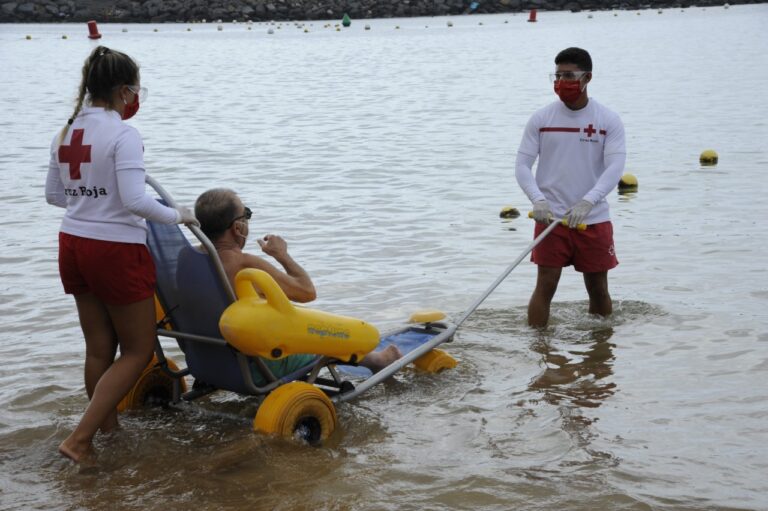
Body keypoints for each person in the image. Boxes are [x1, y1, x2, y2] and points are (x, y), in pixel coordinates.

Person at [45, 46, 198, 462]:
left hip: (72, 243)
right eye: (135, 91)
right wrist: (178, 215)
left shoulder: (67, 131)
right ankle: (79, 440)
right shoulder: (123, 134)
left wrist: (91, 202)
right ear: (124, 90)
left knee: (98, 349)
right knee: (138, 351)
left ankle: (106, 432)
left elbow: (54, 196)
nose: (136, 99)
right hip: (113, 249)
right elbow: (135, 201)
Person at [194, 188, 401, 381]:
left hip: (205, 362)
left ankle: (373, 359)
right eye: (246, 214)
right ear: (238, 228)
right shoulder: (245, 265)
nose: (248, 221)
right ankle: (377, 361)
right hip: (257, 368)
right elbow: (306, 292)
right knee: (318, 330)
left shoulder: (187, 259)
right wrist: (282, 255)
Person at [515, 47, 626, 328]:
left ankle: (600, 353)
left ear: (587, 77)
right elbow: (522, 166)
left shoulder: (607, 120)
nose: (562, 82)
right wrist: (537, 200)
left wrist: (588, 201)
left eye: (569, 75)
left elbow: (614, 168)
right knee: (545, 286)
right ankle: (538, 348)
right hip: (550, 218)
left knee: (598, 288)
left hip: (593, 220)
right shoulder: (541, 119)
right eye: (558, 75)